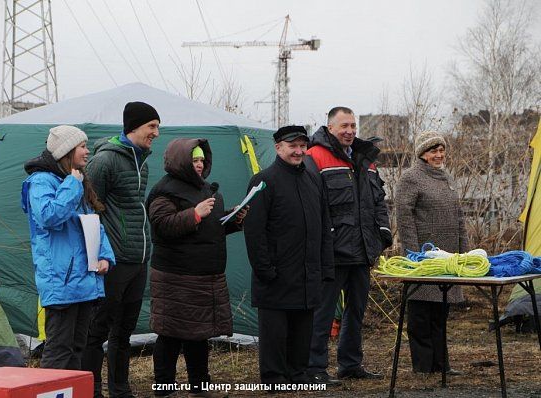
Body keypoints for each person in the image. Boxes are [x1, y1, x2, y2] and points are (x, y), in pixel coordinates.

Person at [147, 138, 246, 398]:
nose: (200, 164)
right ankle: (164, 388)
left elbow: (210, 229)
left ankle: (200, 386)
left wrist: (234, 220)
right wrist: (195, 213)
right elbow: (162, 225)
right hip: (175, 277)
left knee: (199, 336)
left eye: (202, 159)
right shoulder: (164, 191)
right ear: (181, 161)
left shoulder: (205, 189)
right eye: (194, 160)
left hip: (205, 277)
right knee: (170, 336)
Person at [243, 125, 334, 390]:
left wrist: (324, 268)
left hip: (307, 275)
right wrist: (266, 271)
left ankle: (298, 375)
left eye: (302, 146)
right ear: (278, 147)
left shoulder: (313, 180)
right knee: (275, 334)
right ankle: (274, 379)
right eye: (292, 146)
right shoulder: (263, 181)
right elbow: (254, 232)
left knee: (302, 331)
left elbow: (324, 226)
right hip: (276, 277)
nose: (298, 151)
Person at [307, 107, 392, 384]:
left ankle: (350, 364)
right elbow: (311, 207)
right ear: (330, 127)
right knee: (323, 313)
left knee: (356, 312)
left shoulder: (365, 159)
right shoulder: (315, 157)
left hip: (363, 251)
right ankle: (315, 368)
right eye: (344, 126)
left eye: (353, 126)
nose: (350, 131)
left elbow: (378, 201)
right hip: (332, 253)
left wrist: (382, 235)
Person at [82, 102, 160, 398]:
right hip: (113, 260)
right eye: (151, 126)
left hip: (139, 259)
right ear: (134, 127)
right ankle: (91, 390)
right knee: (98, 330)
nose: (156, 132)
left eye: (157, 126)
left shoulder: (143, 161)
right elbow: (89, 210)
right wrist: (98, 256)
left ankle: (120, 389)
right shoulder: (105, 161)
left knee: (124, 332)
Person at [21, 125, 115, 370]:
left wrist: (104, 256)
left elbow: (93, 223)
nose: (87, 152)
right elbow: (48, 216)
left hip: (83, 281)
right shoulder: (41, 182)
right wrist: (72, 185)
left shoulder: (74, 180)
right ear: (66, 151)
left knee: (77, 349)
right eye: (82, 147)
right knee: (59, 350)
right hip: (60, 281)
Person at [396, 130, 467, 375]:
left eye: (441, 150)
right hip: (424, 258)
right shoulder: (411, 178)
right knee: (420, 315)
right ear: (422, 154)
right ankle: (423, 367)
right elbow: (404, 217)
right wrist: (414, 255)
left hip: (447, 259)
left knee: (440, 313)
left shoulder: (446, 177)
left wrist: (464, 253)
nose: (439, 155)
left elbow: (459, 217)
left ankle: (441, 365)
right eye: (433, 151)